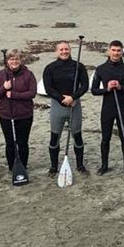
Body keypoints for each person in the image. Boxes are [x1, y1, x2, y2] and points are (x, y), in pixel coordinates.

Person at [91, 40, 124, 175]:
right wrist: (107, 89)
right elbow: (94, 90)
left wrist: (120, 87)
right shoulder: (101, 69)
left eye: (118, 51)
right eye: (113, 50)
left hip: (122, 108)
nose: (116, 53)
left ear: (122, 52)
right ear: (109, 51)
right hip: (107, 108)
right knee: (105, 138)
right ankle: (104, 165)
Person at [42, 40, 89, 177]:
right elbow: (48, 88)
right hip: (58, 106)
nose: (64, 52)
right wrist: (62, 98)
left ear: (70, 50)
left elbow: (84, 86)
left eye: (66, 49)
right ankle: (53, 167)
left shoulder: (78, 66)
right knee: (54, 137)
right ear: (57, 52)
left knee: (77, 136)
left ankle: (80, 165)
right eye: (61, 49)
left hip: (75, 106)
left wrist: (73, 97)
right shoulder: (50, 68)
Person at [0, 49, 37, 177]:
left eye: (16, 59)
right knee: (10, 143)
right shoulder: (0, 75)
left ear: (20, 60)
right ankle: (12, 167)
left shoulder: (28, 75)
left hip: (24, 115)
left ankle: (23, 166)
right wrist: (4, 88)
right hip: (6, 115)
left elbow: (32, 93)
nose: (14, 61)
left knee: (22, 143)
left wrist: (14, 94)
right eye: (11, 59)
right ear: (7, 61)